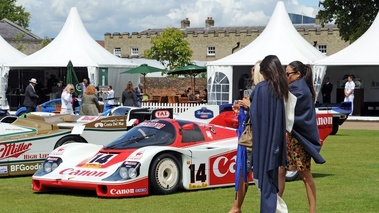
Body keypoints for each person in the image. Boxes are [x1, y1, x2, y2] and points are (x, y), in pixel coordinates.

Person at [278, 61, 326, 213]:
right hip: (293, 137)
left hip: (299, 140)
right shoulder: (300, 87)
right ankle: (275, 205)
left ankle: (312, 210)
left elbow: (280, 101)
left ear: (297, 74)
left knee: (305, 175)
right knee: (281, 170)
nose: (285, 77)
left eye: (287, 74)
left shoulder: (297, 88)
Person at [250, 55, 288, 213]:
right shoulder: (281, 89)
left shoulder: (262, 89)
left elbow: (254, 114)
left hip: (263, 142)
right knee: (271, 184)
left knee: (265, 185)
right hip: (276, 143)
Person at [228, 60, 263, 213]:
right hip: (249, 135)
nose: (251, 72)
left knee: (245, 172)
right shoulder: (257, 90)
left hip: (252, 138)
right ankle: (236, 206)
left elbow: (261, 115)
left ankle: (236, 207)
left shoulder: (261, 91)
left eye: (253, 70)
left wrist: (249, 107)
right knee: (243, 171)